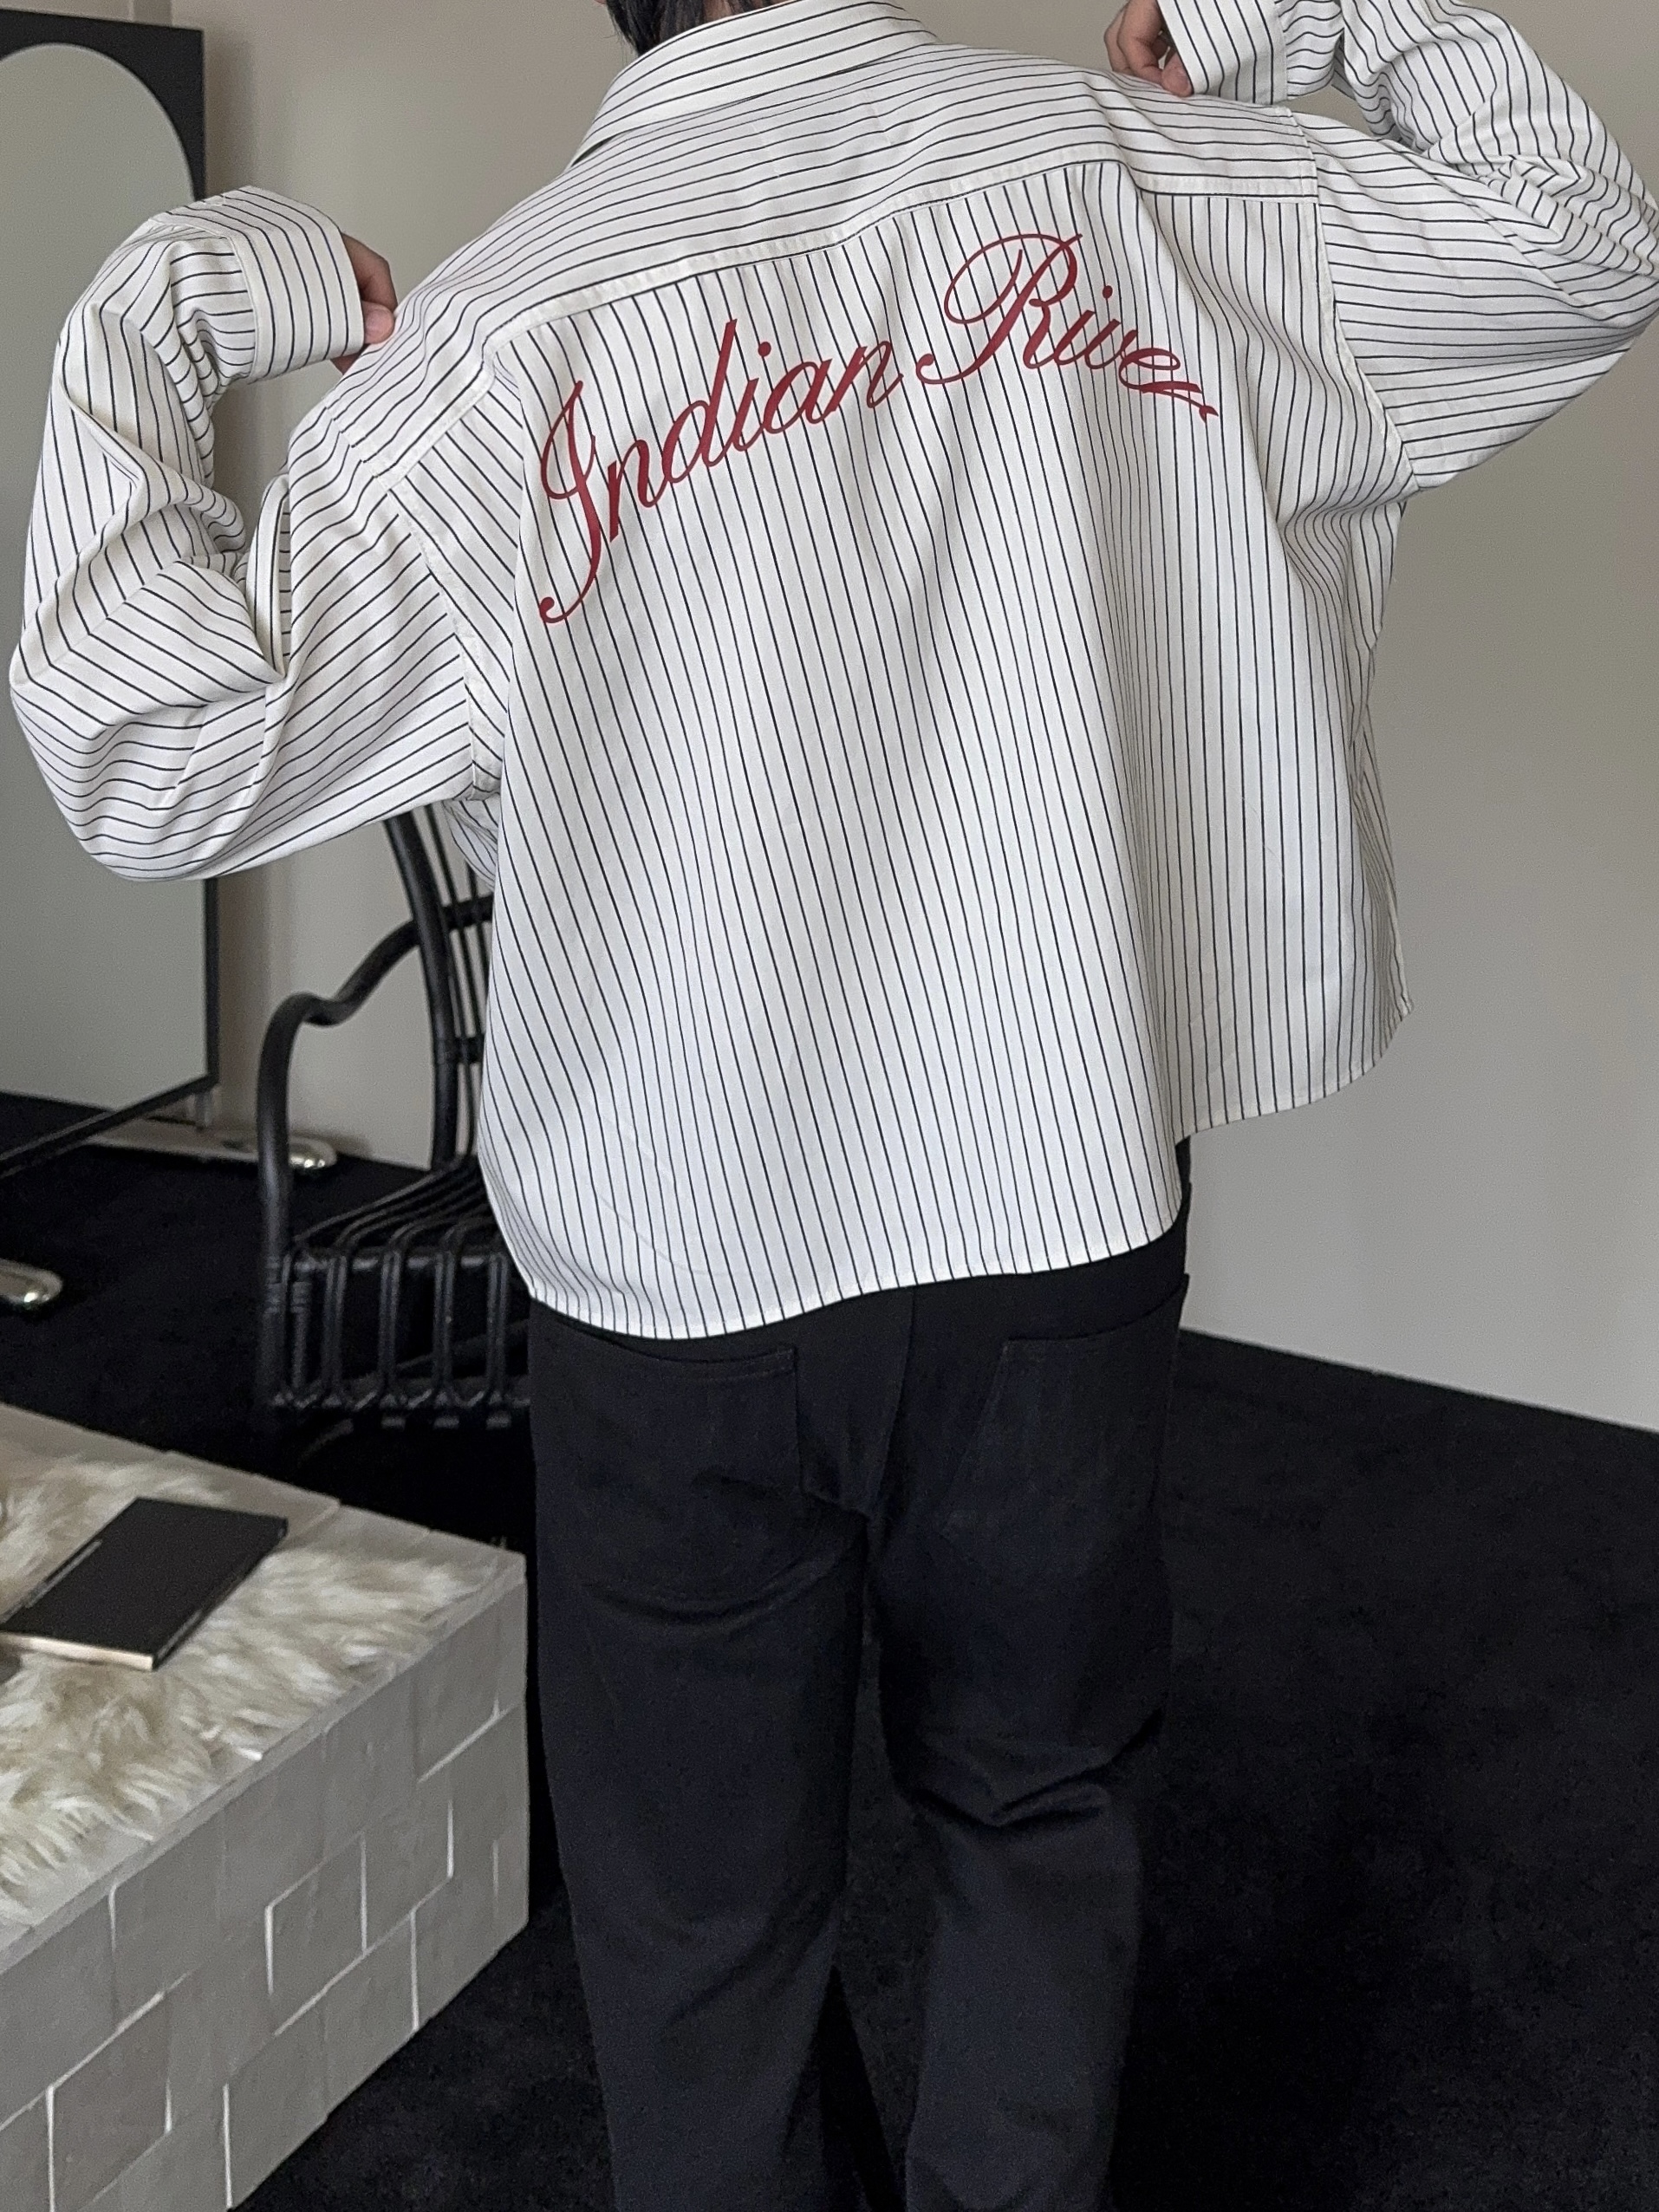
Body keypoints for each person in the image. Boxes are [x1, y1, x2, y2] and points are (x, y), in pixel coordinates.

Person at [10, 0, 1656, 2204]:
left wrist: (186, 291)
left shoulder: (499, 339)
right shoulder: (1131, 188)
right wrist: (1277, 8)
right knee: (1042, 1804)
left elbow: (142, 745)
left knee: (701, 1919)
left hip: (677, 1275)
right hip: (1048, 1207)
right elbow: (1580, 241)